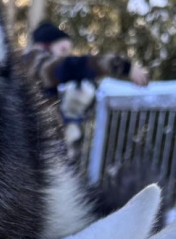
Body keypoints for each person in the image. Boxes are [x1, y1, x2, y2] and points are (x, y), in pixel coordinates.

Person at [23, 21, 149, 164]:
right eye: (63, 49)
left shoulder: (33, 74)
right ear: (44, 45)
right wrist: (122, 66)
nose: (66, 55)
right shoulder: (37, 63)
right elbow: (71, 67)